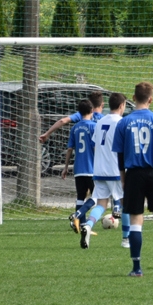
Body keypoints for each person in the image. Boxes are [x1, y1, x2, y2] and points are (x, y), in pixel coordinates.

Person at [112, 82, 153, 277]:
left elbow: (120, 155)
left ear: (133, 98)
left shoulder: (123, 122)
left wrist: (123, 179)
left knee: (135, 221)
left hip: (134, 174)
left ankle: (136, 268)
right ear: (151, 99)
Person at [72, 93, 131, 249]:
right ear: (121, 106)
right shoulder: (122, 122)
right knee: (126, 203)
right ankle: (126, 239)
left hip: (98, 170)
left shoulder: (99, 122)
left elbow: (95, 145)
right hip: (115, 169)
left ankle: (88, 225)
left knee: (101, 204)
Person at [61, 99, 97, 236]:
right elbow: (96, 147)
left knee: (81, 197)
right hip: (92, 169)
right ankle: (77, 214)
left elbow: (69, 149)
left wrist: (65, 167)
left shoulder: (75, 128)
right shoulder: (94, 126)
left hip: (78, 169)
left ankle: (82, 225)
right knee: (98, 198)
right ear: (92, 111)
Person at [40, 90, 105, 144]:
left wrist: (47, 133)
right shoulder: (104, 119)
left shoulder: (83, 114)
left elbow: (62, 121)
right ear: (102, 104)